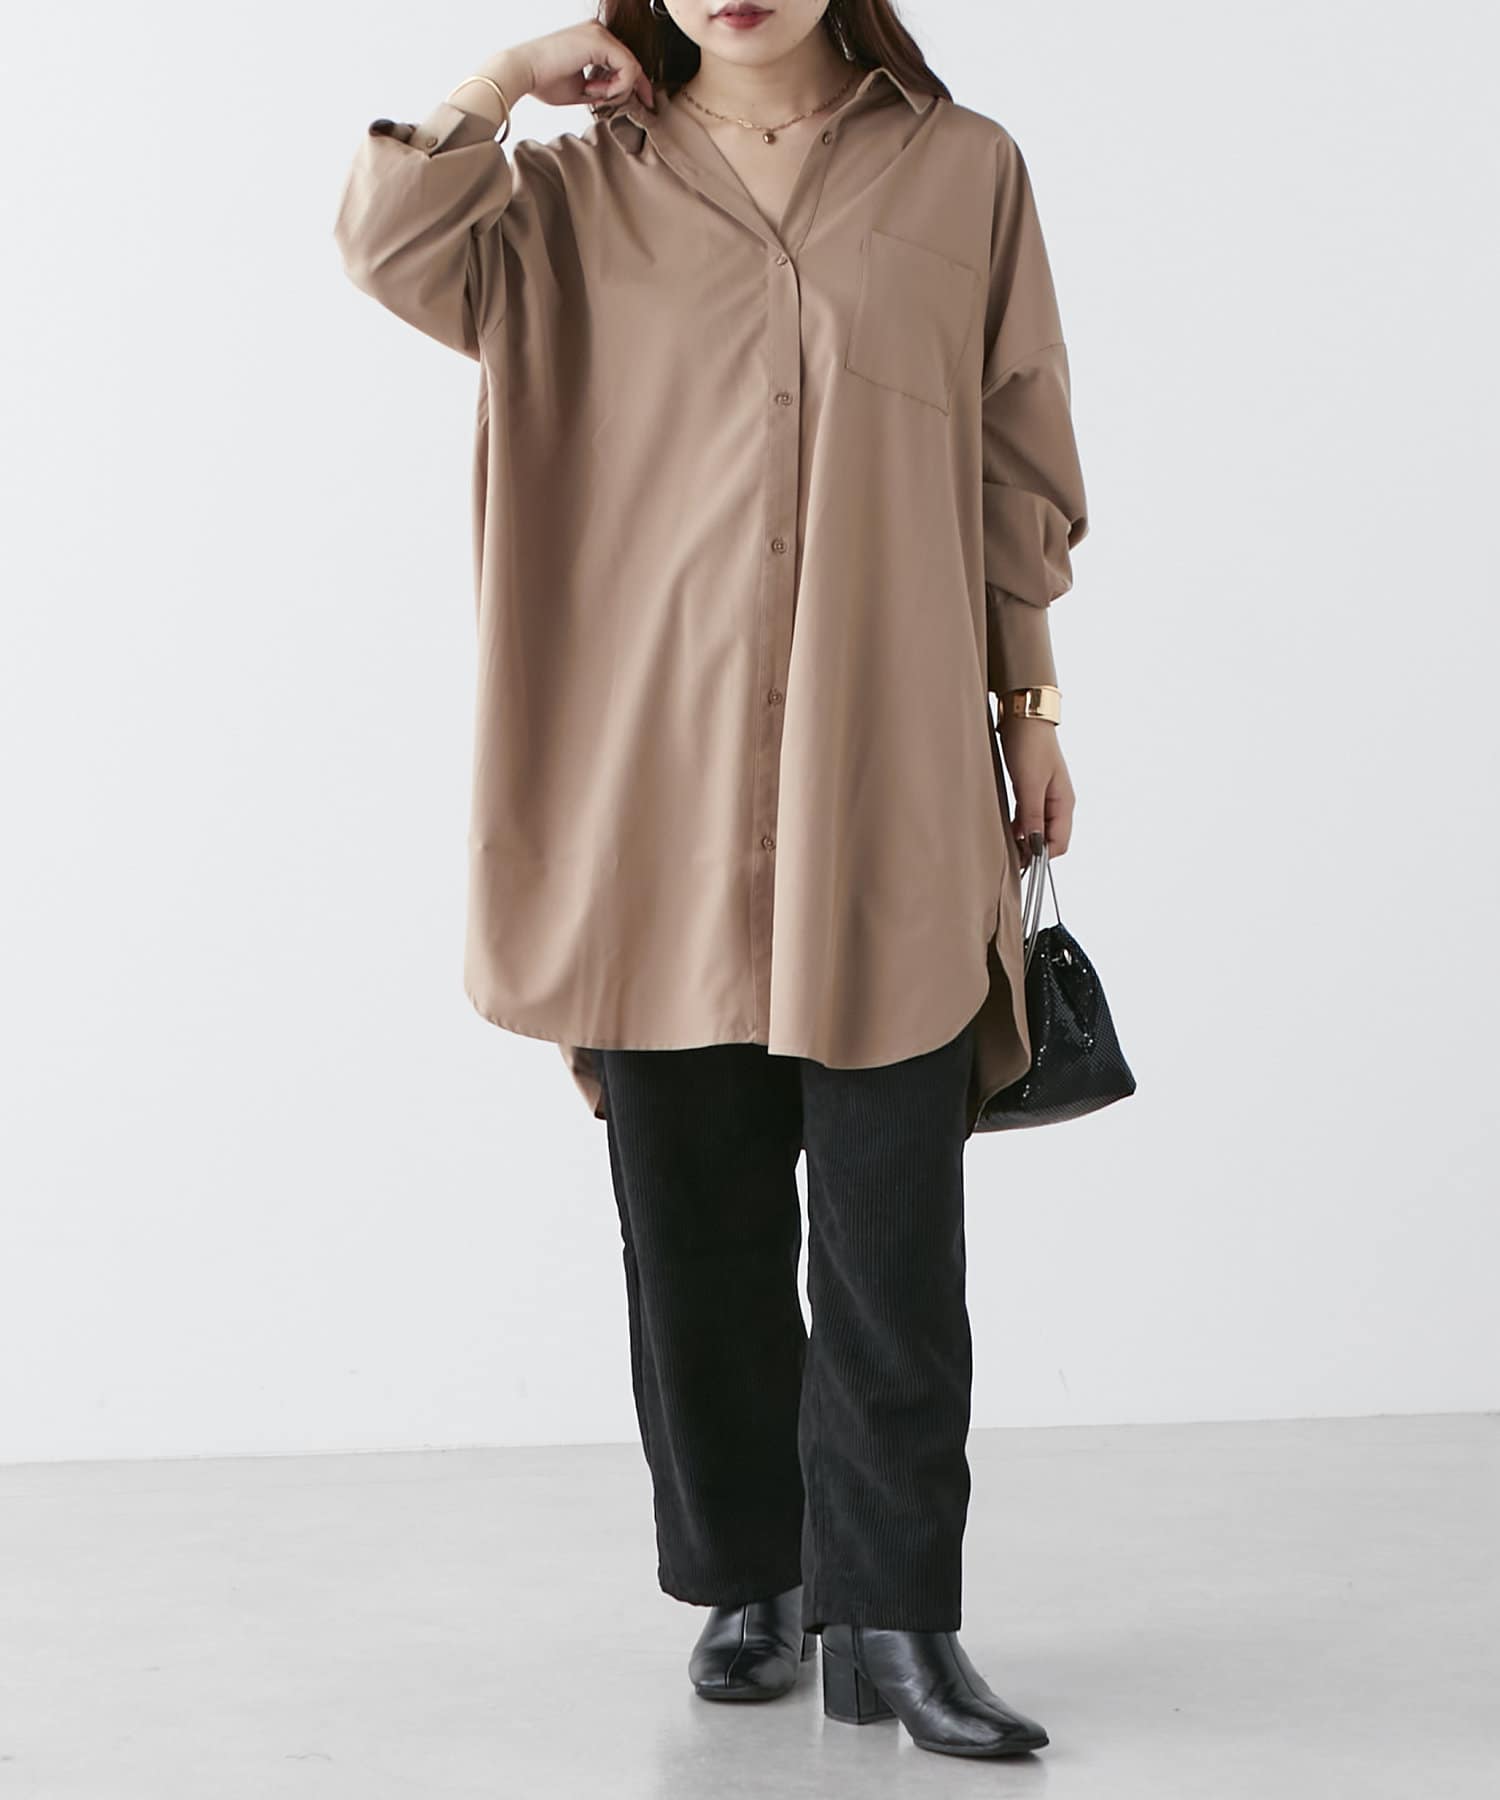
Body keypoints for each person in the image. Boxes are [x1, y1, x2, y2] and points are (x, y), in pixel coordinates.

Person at [333, 0, 1088, 1762]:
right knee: (696, 1233)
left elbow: (1012, 453)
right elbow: (383, 239)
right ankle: (753, 1575)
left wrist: (1031, 706)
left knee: (895, 1240)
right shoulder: (561, 198)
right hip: (648, 794)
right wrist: (508, 79)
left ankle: (898, 1621)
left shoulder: (963, 172)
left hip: (885, 778)